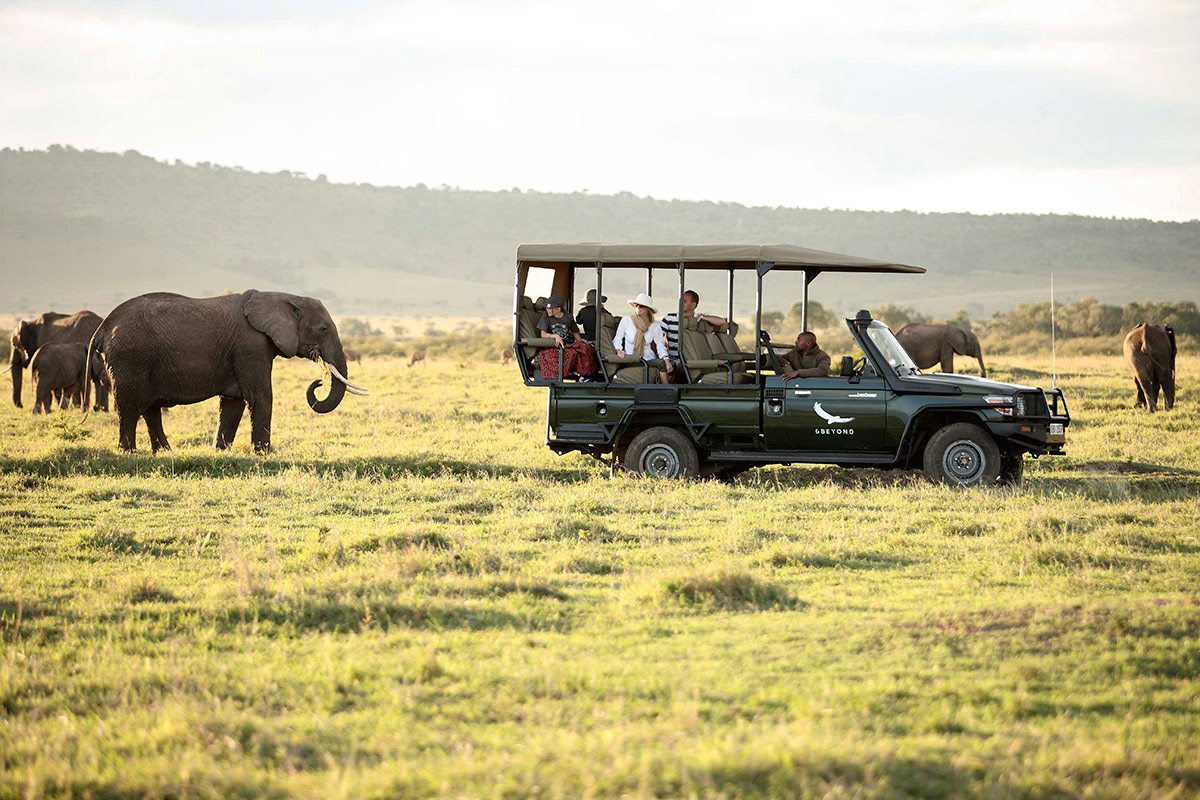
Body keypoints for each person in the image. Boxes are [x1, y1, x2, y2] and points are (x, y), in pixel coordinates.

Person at [536, 296, 599, 381]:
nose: (548, 310)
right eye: (547, 308)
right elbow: (543, 334)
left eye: (551, 309)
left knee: (586, 348)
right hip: (555, 346)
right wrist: (554, 336)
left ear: (558, 309)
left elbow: (575, 332)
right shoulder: (545, 317)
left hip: (568, 344)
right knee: (569, 353)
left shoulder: (568, 317)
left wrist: (580, 343)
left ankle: (586, 376)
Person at [613, 293, 673, 382]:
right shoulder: (626, 320)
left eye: (642, 306)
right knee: (660, 363)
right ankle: (667, 388)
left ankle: (666, 389)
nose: (638, 308)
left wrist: (666, 360)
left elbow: (660, 345)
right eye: (636, 305)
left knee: (662, 363)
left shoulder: (654, 326)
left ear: (648, 309)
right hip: (631, 359)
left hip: (647, 359)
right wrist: (618, 350)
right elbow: (617, 339)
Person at [661, 290, 726, 362]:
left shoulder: (698, 319)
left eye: (684, 301)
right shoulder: (669, 318)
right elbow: (657, 338)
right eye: (680, 301)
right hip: (674, 360)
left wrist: (703, 318)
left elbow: (722, 321)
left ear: (693, 305)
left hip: (694, 359)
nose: (680, 303)